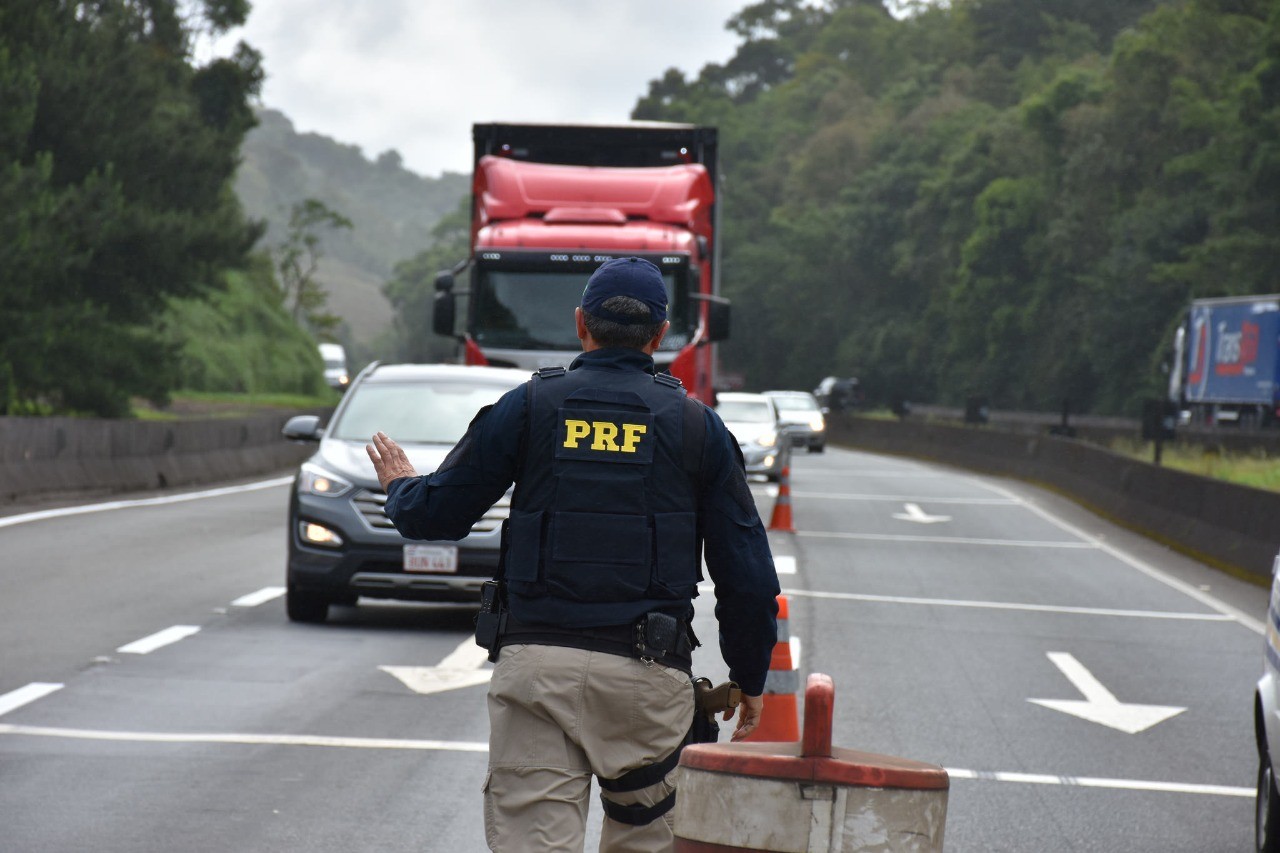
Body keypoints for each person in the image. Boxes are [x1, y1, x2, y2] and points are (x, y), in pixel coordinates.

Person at [366, 256, 780, 852]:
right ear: (661, 337)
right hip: (647, 683)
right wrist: (749, 676)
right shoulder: (698, 428)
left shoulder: (529, 406)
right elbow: (747, 578)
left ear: (580, 323)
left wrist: (401, 486)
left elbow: (436, 514)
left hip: (537, 672)